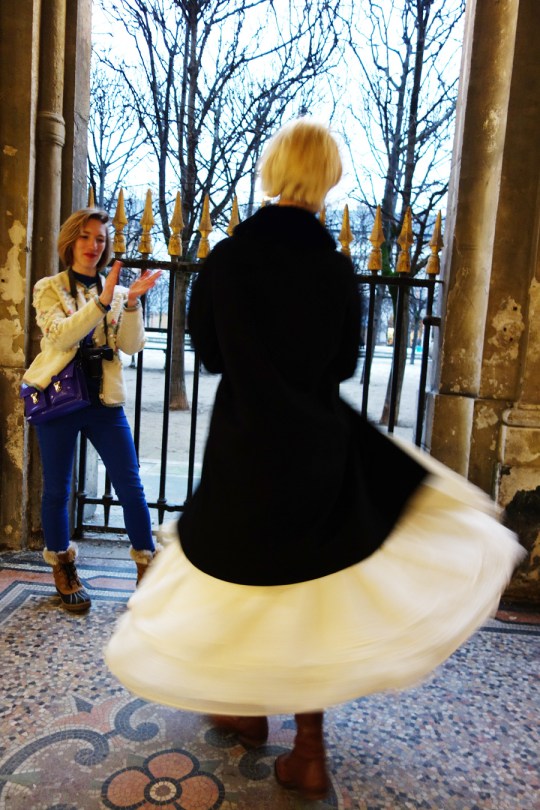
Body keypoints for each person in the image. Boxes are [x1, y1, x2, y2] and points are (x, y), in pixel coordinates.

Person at [105, 121, 524, 801]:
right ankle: (307, 749)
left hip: (246, 444)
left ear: (273, 172)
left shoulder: (226, 260)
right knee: (314, 583)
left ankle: (245, 706)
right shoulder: (333, 267)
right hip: (320, 444)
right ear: (327, 178)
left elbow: (209, 354)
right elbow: (344, 363)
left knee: (232, 573)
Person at [23, 208, 162, 613]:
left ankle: (146, 567)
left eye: (100, 239)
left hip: (104, 400)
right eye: (85, 237)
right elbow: (60, 335)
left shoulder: (116, 292)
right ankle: (63, 566)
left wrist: (131, 303)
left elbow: (132, 346)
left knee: (130, 485)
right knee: (57, 489)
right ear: (71, 241)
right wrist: (102, 303)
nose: (93, 245)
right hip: (60, 399)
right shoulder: (48, 288)